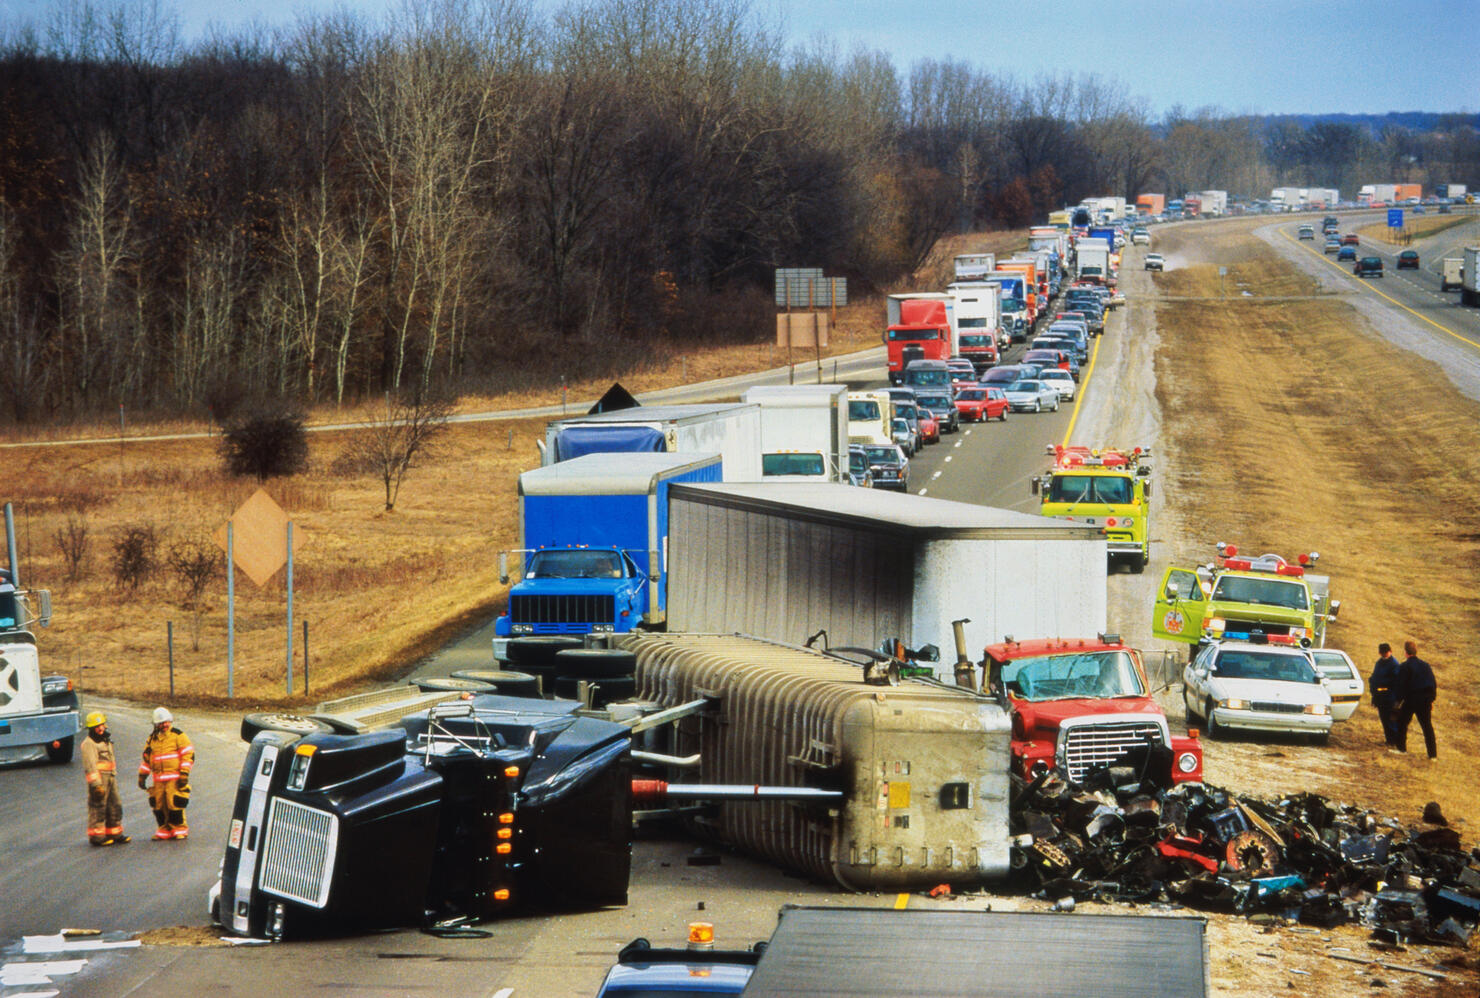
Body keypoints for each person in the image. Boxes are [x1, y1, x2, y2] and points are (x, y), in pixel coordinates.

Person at [139, 707, 194, 840]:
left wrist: (184, 774)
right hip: (158, 781)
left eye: (166, 722)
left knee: (174, 804)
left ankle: (179, 829)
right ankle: (163, 830)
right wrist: (142, 776)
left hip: (174, 780)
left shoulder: (178, 736)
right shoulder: (152, 739)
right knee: (159, 806)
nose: (164, 725)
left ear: (170, 721)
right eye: (161, 723)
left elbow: (188, 755)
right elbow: (147, 759)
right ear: (156, 724)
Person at [79, 711, 130, 846]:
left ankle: (115, 833)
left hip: (111, 778)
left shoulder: (105, 740)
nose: (101, 728)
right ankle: (97, 837)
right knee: (98, 807)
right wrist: (96, 785)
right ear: (91, 728)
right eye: (97, 726)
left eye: (102, 725)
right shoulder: (89, 744)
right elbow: (90, 766)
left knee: (115, 805)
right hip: (100, 781)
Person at [1393, 640, 1437, 760]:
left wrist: (1397, 702)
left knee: (1402, 722)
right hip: (1426, 699)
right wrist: (1431, 700)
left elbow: (1401, 686)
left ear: (1406, 653)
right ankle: (1432, 755)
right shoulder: (1425, 665)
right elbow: (1433, 683)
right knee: (1427, 727)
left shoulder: (1405, 666)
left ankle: (1401, 749)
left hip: (1412, 699)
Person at [1369, 643, 1401, 749]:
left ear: (1390, 651)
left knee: (1391, 720)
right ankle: (1389, 740)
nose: (1384, 655)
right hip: (1379, 696)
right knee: (1384, 719)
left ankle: (1395, 741)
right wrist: (1374, 692)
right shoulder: (1379, 663)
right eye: (1382, 653)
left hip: (1389, 697)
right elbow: (1374, 677)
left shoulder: (1394, 664)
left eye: (1385, 653)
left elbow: (1395, 682)